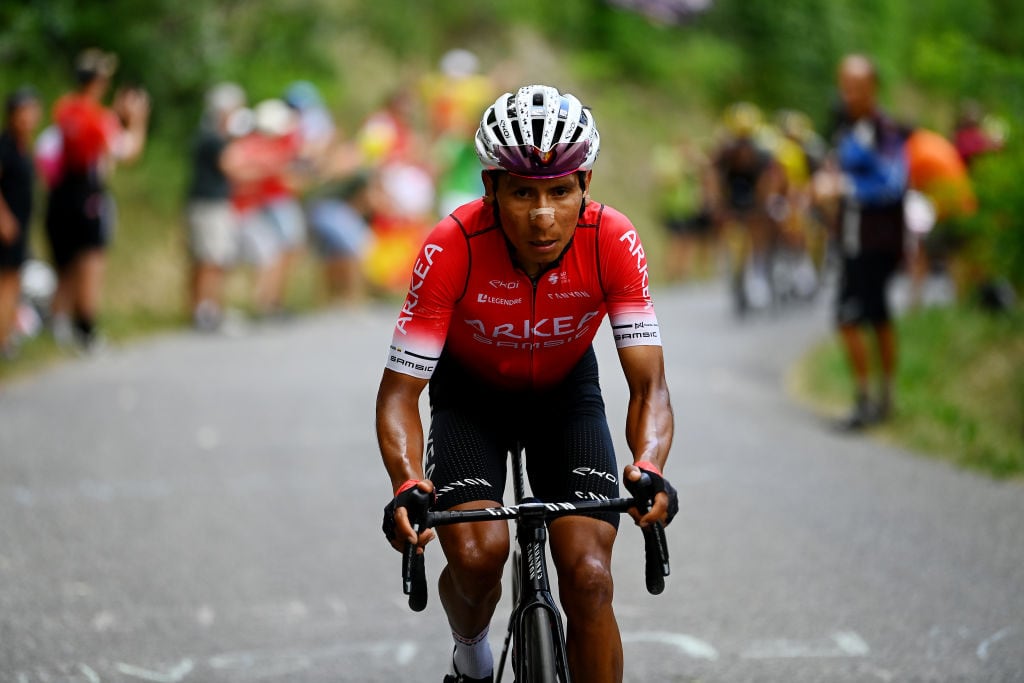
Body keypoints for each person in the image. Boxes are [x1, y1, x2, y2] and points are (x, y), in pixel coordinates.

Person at [376, 85, 678, 683]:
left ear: (584, 184)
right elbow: (399, 394)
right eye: (522, 193)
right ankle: (471, 656)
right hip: (470, 399)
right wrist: (407, 481)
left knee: (590, 575)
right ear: (490, 189)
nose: (543, 216)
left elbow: (650, 387)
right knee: (476, 553)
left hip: (566, 397)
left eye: (560, 192)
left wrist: (650, 464)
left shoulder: (612, 239)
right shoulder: (451, 246)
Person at [816, 54, 909, 430]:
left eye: (856, 87)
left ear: (873, 87)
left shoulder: (884, 129)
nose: (849, 94)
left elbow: (893, 182)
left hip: (875, 242)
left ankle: (868, 400)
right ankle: (882, 398)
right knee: (874, 315)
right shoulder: (847, 128)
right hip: (852, 240)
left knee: (851, 316)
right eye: (845, 85)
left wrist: (843, 186)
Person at [44, 48, 149, 351]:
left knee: (63, 262)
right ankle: (87, 330)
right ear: (100, 82)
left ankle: (59, 323)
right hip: (89, 195)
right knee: (91, 260)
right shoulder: (99, 118)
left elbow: (47, 153)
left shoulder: (64, 109)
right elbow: (127, 152)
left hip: (60, 193)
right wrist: (137, 120)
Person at [185, 82, 247, 332]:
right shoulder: (212, 138)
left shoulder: (210, 135)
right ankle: (205, 311)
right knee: (210, 259)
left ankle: (210, 309)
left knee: (214, 258)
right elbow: (232, 167)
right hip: (208, 205)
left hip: (210, 204)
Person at [0, 87, 42, 359]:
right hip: (6, 229)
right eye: (22, 112)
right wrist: (3, 219)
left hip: (20, 229)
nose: (27, 117)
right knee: (5, 283)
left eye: (31, 111)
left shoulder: (24, 147)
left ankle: (6, 337)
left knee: (14, 283)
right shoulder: (4, 146)